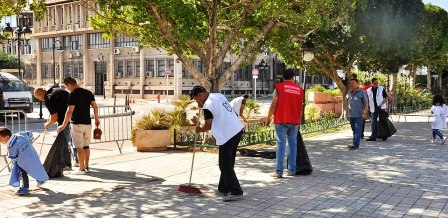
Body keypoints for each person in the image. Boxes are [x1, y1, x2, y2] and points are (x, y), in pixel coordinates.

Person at [190, 85, 244, 202]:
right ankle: (223, 188)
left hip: (228, 134)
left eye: (196, 99)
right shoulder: (218, 95)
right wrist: (202, 105)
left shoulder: (208, 106)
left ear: (200, 95)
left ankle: (236, 191)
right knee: (228, 162)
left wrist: (200, 129)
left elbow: (208, 125)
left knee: (224, 164)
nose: (197, 102)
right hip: (237, 129)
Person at [264, 69, 304, 178]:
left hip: (281, 120)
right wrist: (299, 120)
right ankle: (292, 170)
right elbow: (300, 107)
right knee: (293, 146)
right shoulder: (300, 90)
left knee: (280, 146)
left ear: (283, 78)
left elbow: (273, 105)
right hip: (294, 121)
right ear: (293, 78)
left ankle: (278, 172)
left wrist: (268, 118)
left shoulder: (279, 87)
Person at [57, 77, 100, 175]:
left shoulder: (73, 94)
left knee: (79, 147)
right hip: (87, 123)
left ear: (69, 85)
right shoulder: (88, 93)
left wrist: (63, 125)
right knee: (86, 146)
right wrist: (97, 119)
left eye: (66, 87)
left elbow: (69, 111)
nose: (67, 89)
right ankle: (87, 167)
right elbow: (95, 107)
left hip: (77, 124)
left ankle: (81, 169)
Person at [34, 86, 78, 166]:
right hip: (76, 118)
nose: (40, 99)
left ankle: (68, 163)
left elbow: (54, 118)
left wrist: (48, 124)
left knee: (65, 142)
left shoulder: (48, 98)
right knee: (75, 140)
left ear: (41, 93)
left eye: (38, 97)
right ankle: (78, 160)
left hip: (64, 121)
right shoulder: (56, 89)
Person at [2, 127, 49, 195]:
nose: (0, 141)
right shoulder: (19, 135)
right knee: (35, 168)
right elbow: (29, 133)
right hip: (32, 154)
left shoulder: (11, 146)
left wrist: (15, 167)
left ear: (7, 137)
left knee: (22, 172)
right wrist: (29, 142)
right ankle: (41, 180)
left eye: (0, 139)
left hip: (23, 161)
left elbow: (14, 158)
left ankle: (25, 188)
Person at [347, 78, 369, 150]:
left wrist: (365, 113)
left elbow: (366, 103)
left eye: (353, 83)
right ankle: (354, 143)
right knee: (354, 130)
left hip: (359, 115)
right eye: (350, 83)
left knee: (358, 130)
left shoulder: (362, 92)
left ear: (357, 83)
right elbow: (348, 102)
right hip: (351, 115)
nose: (351, 84)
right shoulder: (349, 92)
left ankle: (356, 145)